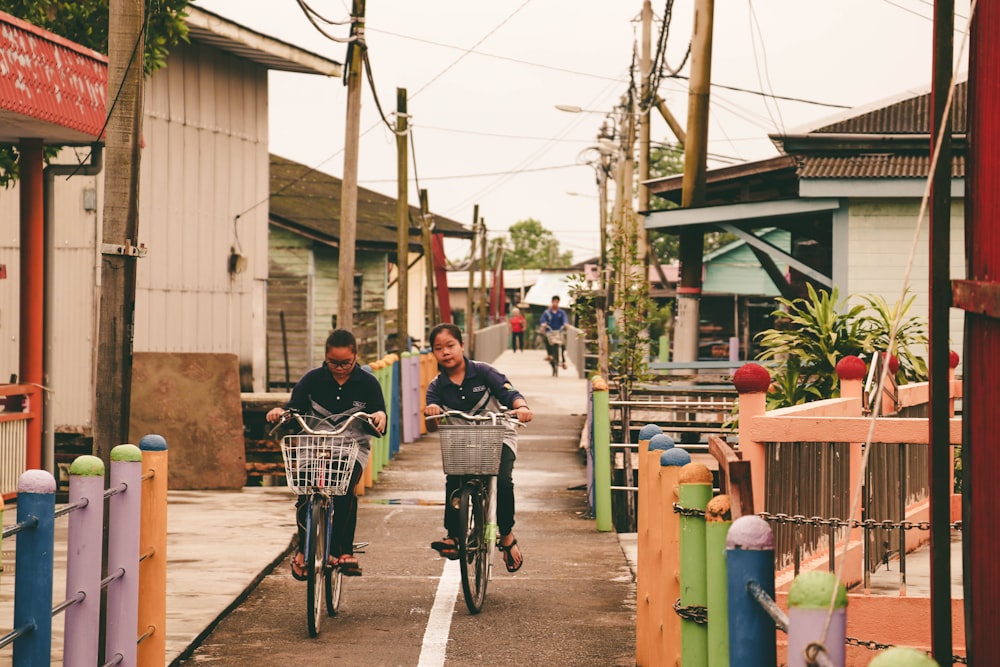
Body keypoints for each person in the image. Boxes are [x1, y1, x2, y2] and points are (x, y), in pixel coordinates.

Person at [266, 329, 387, 579]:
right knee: (305, 492)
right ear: (325, 357)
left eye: (346, 363)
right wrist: (281, 412)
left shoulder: (367, 382)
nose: (340, 368)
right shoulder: (312, 380)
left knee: (344, 491)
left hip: (351, 448)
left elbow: (379, 415)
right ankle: (304, 547)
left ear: (355, 357)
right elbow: (293, 410)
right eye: (334, 363)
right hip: (314, 447)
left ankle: (343, 551)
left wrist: (379, 416)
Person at [423, 323, 532, 573]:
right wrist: (432, 411)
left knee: (502, 482)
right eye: (439, 348)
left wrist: (522, 407)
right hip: (462, 441)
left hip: (498, 436)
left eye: (450, 346)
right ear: (434, 353)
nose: (446, 352)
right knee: (454, 479)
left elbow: (510, 393)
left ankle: (506, 535)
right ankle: (454, 535)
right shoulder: (436, 386)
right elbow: (430, 423)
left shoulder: (484, 372)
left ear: (462, 345)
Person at [539, 294, 569, 369]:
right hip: (550, 331)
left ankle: (563, 361)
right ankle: (549, 354)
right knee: (546, 339)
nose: (555, 303)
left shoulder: (561, 312)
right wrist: (544, 324)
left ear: (558, 302)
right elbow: (543, 320)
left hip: (559, 331)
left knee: (562, 344)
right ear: (552, 302)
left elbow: (565, 319)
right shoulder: (547, 312)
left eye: (557, 302)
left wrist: (565, 324)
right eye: (554, 302)